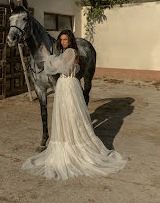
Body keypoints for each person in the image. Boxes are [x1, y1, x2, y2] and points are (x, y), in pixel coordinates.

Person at [22, 30, 127, 180]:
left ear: (70, 40)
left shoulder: (71, 52)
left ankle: (74, 143)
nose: (64, 42)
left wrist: (46, 56)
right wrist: (49, 57)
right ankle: (67, 139)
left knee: (72, 113)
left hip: (69, 85)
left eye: (66, 39)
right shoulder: (65, 52)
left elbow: (58, 66)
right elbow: (56, 62)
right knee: (64, 114)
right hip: (64, 85)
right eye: (62, 39)